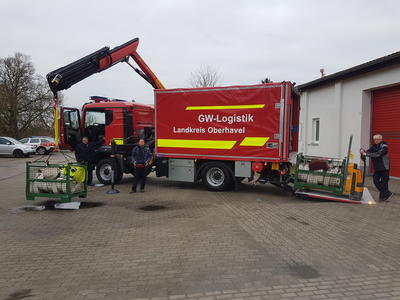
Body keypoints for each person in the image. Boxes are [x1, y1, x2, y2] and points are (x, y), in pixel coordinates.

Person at [360, 134, 393, 201]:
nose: (375, 141)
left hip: (384, 168)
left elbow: (378, 154)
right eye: (374, 139)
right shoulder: (374, 146)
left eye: (377, 139)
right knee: (375, 181)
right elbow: (368, 151)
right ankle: (386, 193)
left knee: (384, 183)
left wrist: (366, 154)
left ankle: (383, 197)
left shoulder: (384, 147)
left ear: (381, 139)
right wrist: (363, 151)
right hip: (377, 168)